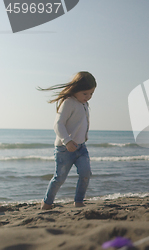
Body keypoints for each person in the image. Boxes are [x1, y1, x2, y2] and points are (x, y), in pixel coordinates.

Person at [38, 72, 97, 209]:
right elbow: (58, 124)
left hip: (81, 148)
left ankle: (79, 201)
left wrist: (83, 138)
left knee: (86, 174)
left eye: (91, 94)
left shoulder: (84, 104)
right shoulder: (68, 102)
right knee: (60, 178)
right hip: (65, 149)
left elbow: (82, 123)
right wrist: (67, 141)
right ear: (75, 89)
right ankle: (47, 203)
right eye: (85, 93)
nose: (88, 97)